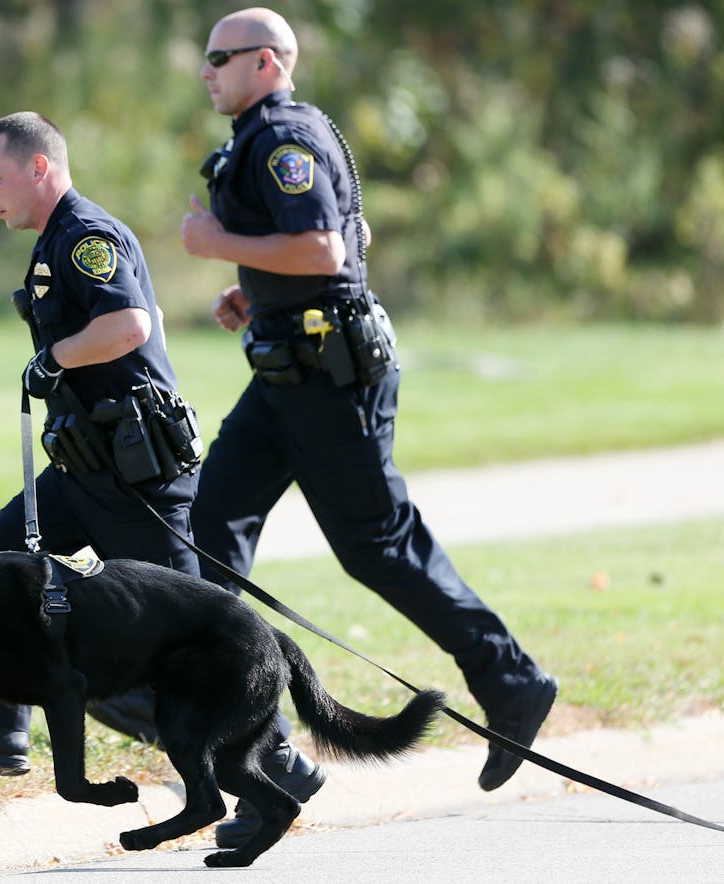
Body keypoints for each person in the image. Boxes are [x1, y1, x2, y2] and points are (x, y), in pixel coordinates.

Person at [180, 8, 559, 848]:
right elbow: (351, 235)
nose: (205, 70)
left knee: (376, 545)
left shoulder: (281, 133)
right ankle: (261, 754)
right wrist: (258, 292)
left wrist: (218, 244)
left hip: (327, 380)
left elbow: (323, 250)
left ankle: (512, 679)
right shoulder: (274, 132)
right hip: (286, 371)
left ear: (268, 63)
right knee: (208, 536)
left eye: (220, 57)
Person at [0, 111, 203, 774]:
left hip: (133, 480)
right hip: (84, 471)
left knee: (191, 636)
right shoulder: (57, 237)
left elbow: (128, 324)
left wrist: (55, 357)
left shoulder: (84, 236)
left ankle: (276, 764)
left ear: (39, 168)